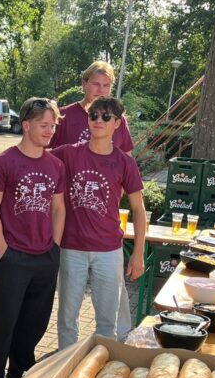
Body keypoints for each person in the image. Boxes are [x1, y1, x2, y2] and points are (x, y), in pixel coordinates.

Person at [0, 97, 65, 378]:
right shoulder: (3, 163)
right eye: (44, 125)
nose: (49, 130)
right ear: (26, 125)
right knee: (3, 322)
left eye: (53, 125)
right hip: (12, 257)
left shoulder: (55, 165)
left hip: (45, 257)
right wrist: (4, 249)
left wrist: (54, 246)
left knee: (34, 324)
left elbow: (59, 207)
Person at [54, 95, 146, 347]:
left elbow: (139, 209)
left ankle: (101, 374)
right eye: (94, 115)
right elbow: (33, 155)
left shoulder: (124, 162)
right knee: (67, 320)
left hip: (109, 250)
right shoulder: (68, 154)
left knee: (108, 322)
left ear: (118, 124)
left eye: (106, 116)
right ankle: (65, 372)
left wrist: (138, 254)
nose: (98, 120)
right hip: (71, 247)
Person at [48, 60, 134, 152]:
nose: (101, 90)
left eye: (106, 85)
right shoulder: (62, 116)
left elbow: (127, 156)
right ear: (84, 84)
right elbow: (39, 152)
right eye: (96, 84)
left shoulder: (117, 119)